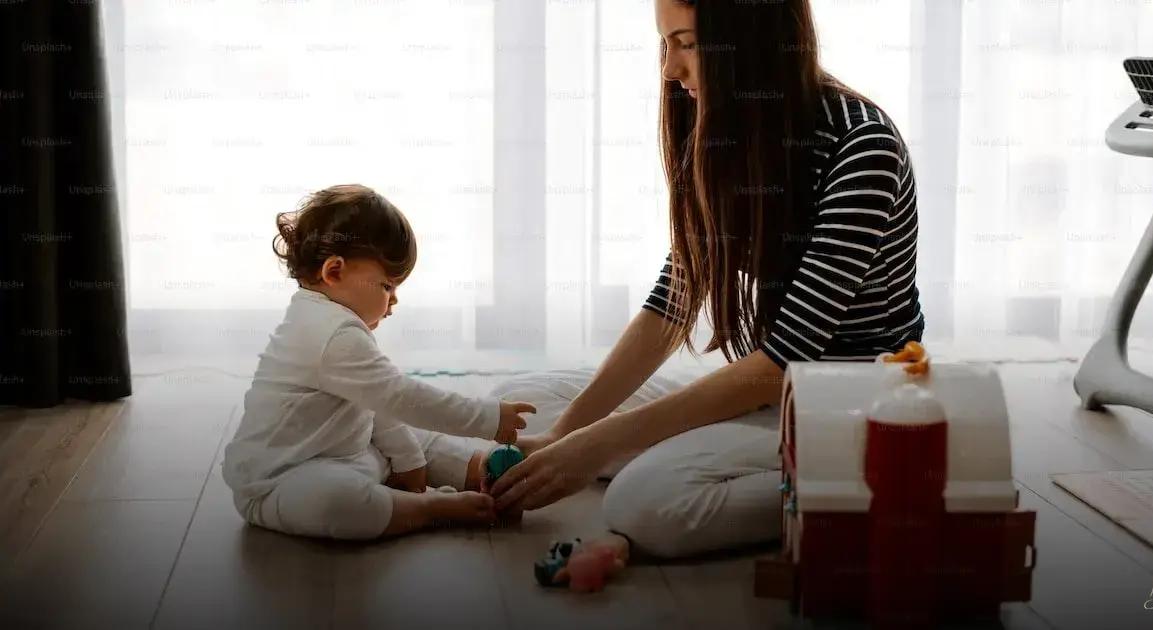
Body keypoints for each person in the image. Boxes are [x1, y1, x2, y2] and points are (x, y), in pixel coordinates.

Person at [489, 0, 925, 558]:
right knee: (521, 400)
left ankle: (876, 484)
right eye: (665, 44)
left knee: (641, 503)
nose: (670, 69)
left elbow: (784, 363)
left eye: (687, 43)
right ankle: (683, 458)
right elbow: (675, 296)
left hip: (850, 404)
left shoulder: (863, 147)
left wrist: (595, 447)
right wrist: (568, 435)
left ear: (754, 39)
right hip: (772, 397)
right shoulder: (727, 128)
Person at [222, 184, 534, 540]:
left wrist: (409, 460)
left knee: (416, 436)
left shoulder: (332, 319)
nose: (393, 302)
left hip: (349, 453)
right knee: (336, 501)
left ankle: (480, 470)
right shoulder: (328, 333)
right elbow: (399, 396)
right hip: (284, 480)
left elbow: (377, 406)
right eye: (387, 287)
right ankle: (430, 508)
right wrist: (486, 418)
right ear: (334, 272)